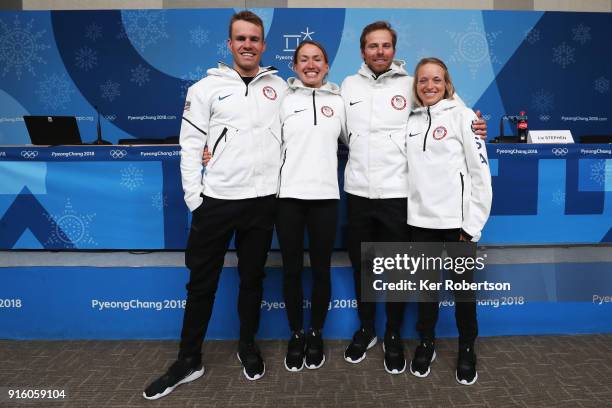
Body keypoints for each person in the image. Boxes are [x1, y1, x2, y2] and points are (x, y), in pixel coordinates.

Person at [143, 11, 286, 400]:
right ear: (229, 44)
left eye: (254, 39)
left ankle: (247, 345)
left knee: (253, 279)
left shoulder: (280, 88)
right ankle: (189, 359)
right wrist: (196, 199)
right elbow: (190, 147)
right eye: (241, 38)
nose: (247, 45)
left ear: (263, 44)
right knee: (201, 282)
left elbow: (315, 113)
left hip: (262, 202)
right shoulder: (205, 88)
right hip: (217, 203)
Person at [340, 21, 487, 375]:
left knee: (399, 272)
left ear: (394, 49)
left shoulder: (412, 83)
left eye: (385, 45)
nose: (379, 51)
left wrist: (476, 123)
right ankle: (368, 329)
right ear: (362, 51)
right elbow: (344, 134)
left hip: (398, 196)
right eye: (372, 46)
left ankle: (393, 334)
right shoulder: (347, 85)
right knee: (366, 267)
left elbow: (451, 106)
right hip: (360, 193)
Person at [405, 57, 492, 385]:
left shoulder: (465, 117)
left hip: (458, 227)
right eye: (423, 80)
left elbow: (480, 174)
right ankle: (426, 341)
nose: (429, 86)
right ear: (416, 85)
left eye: (436, 80)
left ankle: (467, 347)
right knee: (426, 290)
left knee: (462, 292)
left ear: (447, 84)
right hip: (420, 222)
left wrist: (471, 228)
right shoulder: (410, 120)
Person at [276, 40, 346, 372]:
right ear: (294, 66)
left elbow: (363, 138)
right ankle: (296, 333)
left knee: (320, 270)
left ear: (327, 65)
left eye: (317, 59)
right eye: (303, 59)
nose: (311, 64)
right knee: (291, 270)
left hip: (325, 199)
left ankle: (315, 333)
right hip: (288, 197)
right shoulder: (284, 101)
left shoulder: (340, 101)